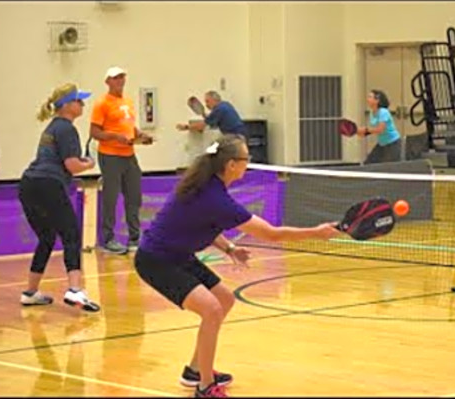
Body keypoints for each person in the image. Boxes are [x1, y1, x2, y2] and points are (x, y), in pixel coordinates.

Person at [134, 134, 339, 398]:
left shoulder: (209, 187)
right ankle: (205, 387)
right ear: (232, 164)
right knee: (211, 310)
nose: (248, 163)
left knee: (224, 299)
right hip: (157, 260)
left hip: (179, 256)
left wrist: (229, 248)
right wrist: (316, 232)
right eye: (246, 159)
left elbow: (204, 224)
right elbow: (272, 234)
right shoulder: (214, 197)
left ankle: (195, 371)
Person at [18, 83, 100, 312]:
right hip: (48, 185)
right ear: (67, 105)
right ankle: (75, 290)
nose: (82, 104)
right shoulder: (66, 128)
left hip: (28, 185)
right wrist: (90, 163)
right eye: (79, 100)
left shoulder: (52, 128)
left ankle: (30, 292)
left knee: (46, 237)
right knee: (71, 235)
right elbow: (72, 166)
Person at [90, 66, 154, 254]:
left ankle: (135, 238)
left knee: (134, 196)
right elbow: (94, 132)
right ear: (108, 82)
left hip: (129, 154)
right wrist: (115, 137)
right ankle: (108, 239)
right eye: (115, 78)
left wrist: (141, 135)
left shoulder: (127, 101)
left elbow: (129, 127)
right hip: (110, 155)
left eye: (121, 77)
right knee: (110, 197)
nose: (119, 81)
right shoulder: (102, 103)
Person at [357, 89, 402, 164]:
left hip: (393, 144)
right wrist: (365, 133)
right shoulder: (372, 112)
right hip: (382, 144)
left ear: (377, 100)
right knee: (368, 163)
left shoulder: (383, 112)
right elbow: (375, 130)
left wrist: (366, 130)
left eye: (370, 97)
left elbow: (381, 129)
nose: (367, 99)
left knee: (388, 168)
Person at [176, 91, 245, 135]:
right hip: (240, 136)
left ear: (214, 100)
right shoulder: (225, 104)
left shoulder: (218, 109)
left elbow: (202, 125)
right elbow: (212, 121)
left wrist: (186, 127)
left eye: (207, 101)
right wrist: (204, 115)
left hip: (235, 139)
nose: (206, 104)